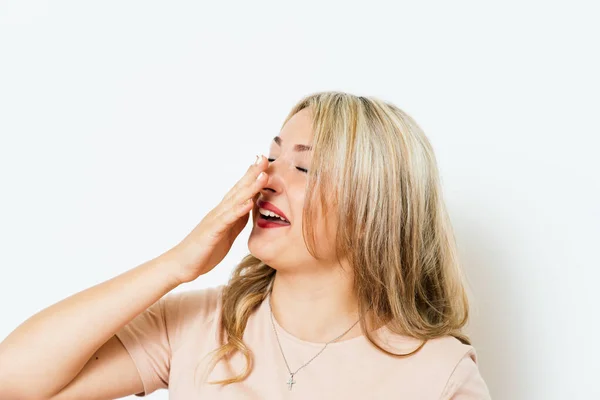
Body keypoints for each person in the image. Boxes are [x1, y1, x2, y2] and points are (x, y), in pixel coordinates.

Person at [0, 91, 491, 399]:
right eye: (271, 158)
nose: (265, 179)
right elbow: (13, 381)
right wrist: (178, 263)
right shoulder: (199, 325)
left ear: (372, 213)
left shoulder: (438, 373)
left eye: (302, 167)